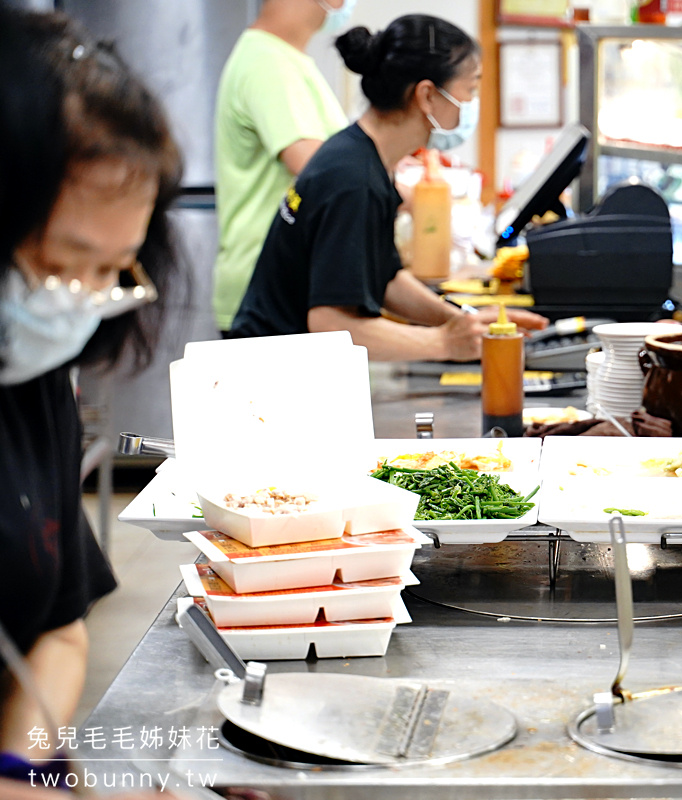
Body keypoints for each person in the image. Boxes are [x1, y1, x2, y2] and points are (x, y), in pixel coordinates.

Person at [0, 10, 184, 795]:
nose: (79, 302)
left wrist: (24, 765)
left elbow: (57, 626)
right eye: (64, 261)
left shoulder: (31, 379)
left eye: (112, 270)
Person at [230, 14, 546, 358]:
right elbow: (330, 323)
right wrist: (442, 343)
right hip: (265, 378)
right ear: (426, 95)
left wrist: (459, 321)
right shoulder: (353, 179)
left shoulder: (363, 159)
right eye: (469, 89)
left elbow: (386, 278)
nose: (471, 104)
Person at [211, 0, 354, 334]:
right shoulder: (267, 62)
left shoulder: (288, 59)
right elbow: (318, 169)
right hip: (267, 288)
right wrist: (399, 185)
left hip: (284, 285)